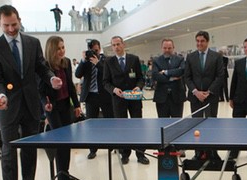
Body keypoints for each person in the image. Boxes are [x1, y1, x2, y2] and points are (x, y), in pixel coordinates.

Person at [0, 5, 62, 180]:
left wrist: (51, 78)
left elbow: (41, 68)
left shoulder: (32, 43)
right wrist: (1, 94)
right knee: (9, 153)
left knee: (30, 150)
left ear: (19, 20)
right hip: (7, 106)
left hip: (30, 104)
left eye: (14, 24)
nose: (11, 29)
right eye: (6, 25)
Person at [39, 36, 81, 180]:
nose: (62, 51)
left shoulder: (66, 62)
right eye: (58, 48)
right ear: (51, 49)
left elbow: (70, 85)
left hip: (65, 105)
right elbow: (40, 91)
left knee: (67, 140)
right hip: (53, 107)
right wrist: (45, 105)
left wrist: (76, 105)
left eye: (63, 47)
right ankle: (62, 176)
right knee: (61, 141)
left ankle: (65, 172)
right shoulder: (44, 66)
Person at [102, 36, 149, 165]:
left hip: (134, 99)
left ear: (123, 44)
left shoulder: (134, 59)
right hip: (118, 100)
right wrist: (114, 89)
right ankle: (124, 154)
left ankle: (140, 154)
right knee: (122, 128)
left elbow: (140, 78)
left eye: (118, 44)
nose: (116, 47)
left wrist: (138, 87)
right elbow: (105, 82)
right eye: (113, 45)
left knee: (137, 126)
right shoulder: (109, 62)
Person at [184, 31, 225, 160]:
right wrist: (195, 91)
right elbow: (187, 77)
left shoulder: (217, 56)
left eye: (202, 41)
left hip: (211, 97)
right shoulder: (190, 57)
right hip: (195, 97)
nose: (199, 43)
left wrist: (209, 91)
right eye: (197, 41)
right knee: (196, 125)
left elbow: (220, 76)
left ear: (207, 42)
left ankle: (212, 152)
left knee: (211, 125)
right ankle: (198, 152)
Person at [75, 39, 114, 159]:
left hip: (105, 96)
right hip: (90, 96)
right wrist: (82, 60)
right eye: (92, 50)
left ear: (100, 48)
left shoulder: (106, 60)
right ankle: (92, 149)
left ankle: (113, 145)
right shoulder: (85, 62)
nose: (94, 53)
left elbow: (109, 74)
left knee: (110, 122)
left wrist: (98, 63)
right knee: (91, 125)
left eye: (96, 50)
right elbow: (77, 74)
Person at [152, 38, 186, 118]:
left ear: (173, 48)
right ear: (161, 48)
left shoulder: (180, 59)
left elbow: (181, 71)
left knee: (177, 123)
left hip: (177, 96)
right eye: (165, 48)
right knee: (162, 122)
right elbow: (155, 75)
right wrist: (171, 78)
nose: (167, 50)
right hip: (161, 98)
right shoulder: (156, 60)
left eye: (169, 48)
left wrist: (165, 72)